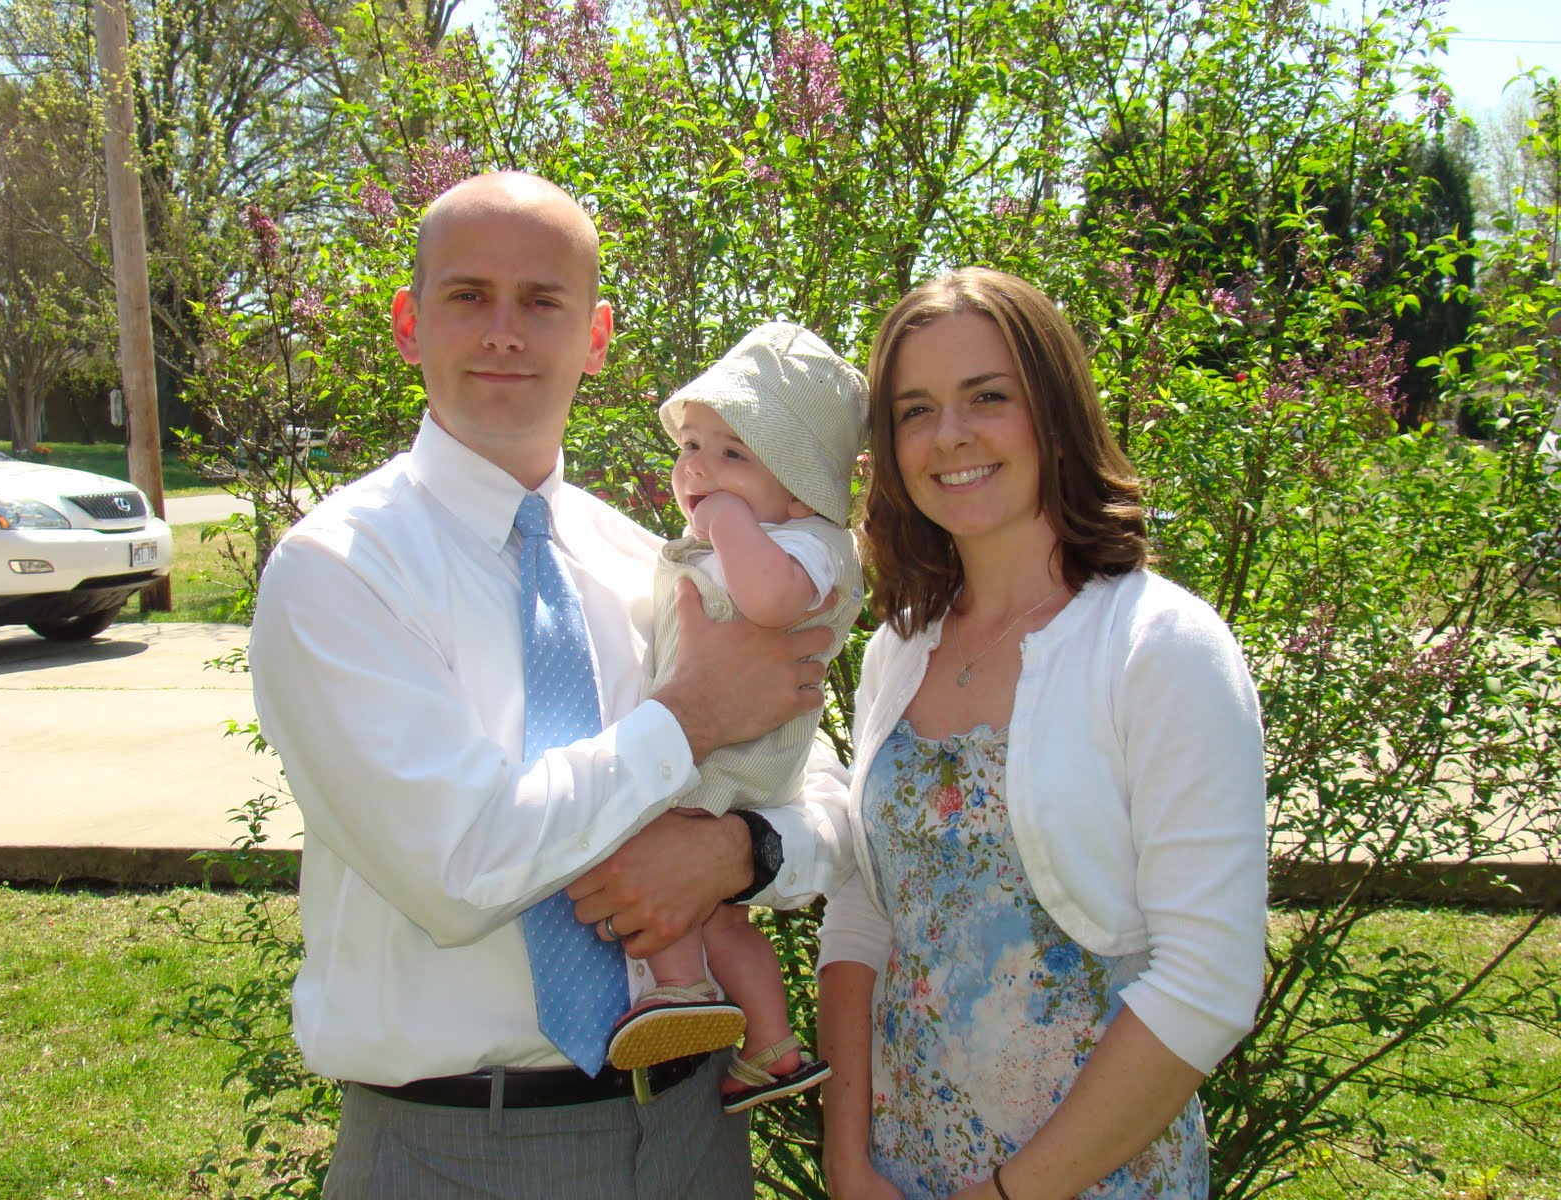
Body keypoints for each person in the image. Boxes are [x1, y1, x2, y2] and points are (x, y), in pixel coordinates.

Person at [248, 171, 853, 1199]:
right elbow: (459, 868)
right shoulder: (337, 571)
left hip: (693, 1133)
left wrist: (737, 852)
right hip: (453, 1151)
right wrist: (689, 717)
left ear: (596, 336)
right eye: (467, 295)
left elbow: (826, 794)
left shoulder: (654, 563)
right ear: (409, 323)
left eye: (541, 301)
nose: (504, 332)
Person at [816, 267, 1266, 1200]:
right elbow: (866, 907)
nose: (950, 434)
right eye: (914, 411)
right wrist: (848, 1156)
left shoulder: (1159, 646)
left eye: (988, 396)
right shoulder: (898, 651)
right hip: (899, 1174)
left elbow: (1210, 980)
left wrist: (1008, 1194)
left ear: (1055, 415)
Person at [604, 322, 867, 1116]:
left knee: (641, 833)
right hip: (722, 751)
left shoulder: (812, 543)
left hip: (737, 754)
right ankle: (773, 1048)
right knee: (723, 916)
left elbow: (773, 601)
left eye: (732, 454)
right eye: (691, 446)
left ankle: (679, 988)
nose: (698, 470)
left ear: (803, 486)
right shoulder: (755, 532)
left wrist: (724, 522)